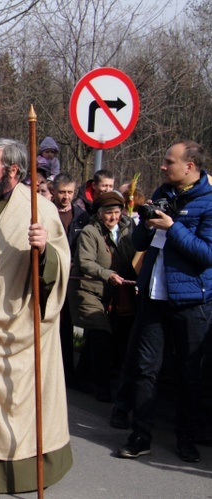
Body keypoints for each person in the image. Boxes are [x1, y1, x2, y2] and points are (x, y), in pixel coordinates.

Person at [0, 138, 72, 493]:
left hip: (21, 326)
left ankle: (22, 473)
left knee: (21, 407)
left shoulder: (41, 210)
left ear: (13, 171)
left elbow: (60, 269)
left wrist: (44, 250)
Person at [112, 140, 212, 464]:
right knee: (145, 369)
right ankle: (140, 436)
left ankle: (186, 437)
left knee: (189, 373)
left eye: (170, 162)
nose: (163, 167)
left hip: (191, 302)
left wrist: (173, 227)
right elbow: (139, 241)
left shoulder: (209, 203)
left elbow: (207, 254)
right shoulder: (163, 192)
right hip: (153, 297)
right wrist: (146, 221)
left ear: (190, 167)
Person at [68, 191, 136, 402]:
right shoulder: (89, 232)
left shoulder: (126, 231)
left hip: (111, 293)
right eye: (108, 213)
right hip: (87, 289)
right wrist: (108, 275)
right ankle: (103, 389)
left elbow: (129, 259)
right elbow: (85, 262)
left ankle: (80, 377)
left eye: (116, 212)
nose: (113, 217)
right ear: (99, 214)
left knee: (100, 337)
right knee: (101, 334)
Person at [52, 172, 91, 385]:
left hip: (72, 277)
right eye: (61, 192)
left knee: (67, 326)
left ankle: (67, 372)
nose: (65, 197)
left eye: (69, 192)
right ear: (54, 191)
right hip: (50, 276)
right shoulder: (44, 211)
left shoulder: (81, 217)